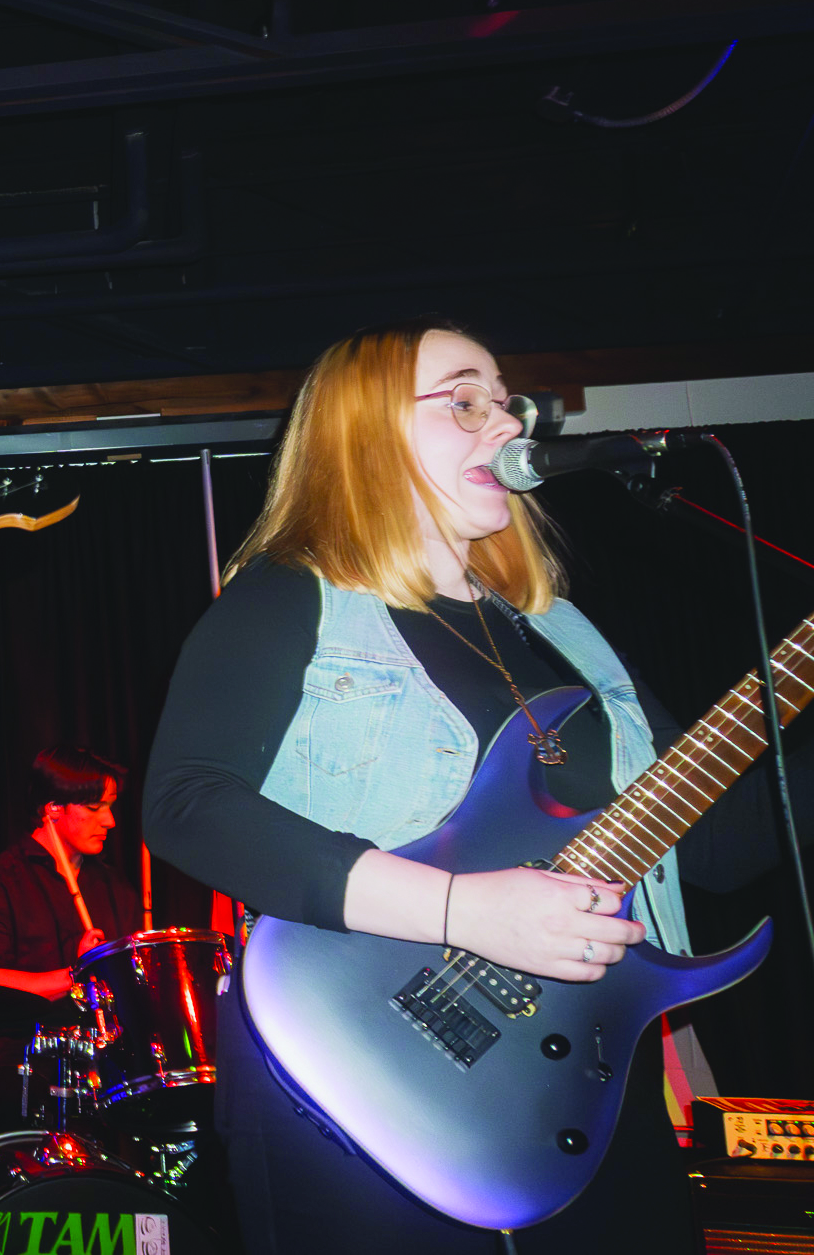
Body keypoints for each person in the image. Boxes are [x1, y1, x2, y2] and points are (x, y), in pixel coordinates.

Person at [142, 320, 813, 1253]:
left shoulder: (566, 632)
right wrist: (463, 908)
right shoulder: (291, 594)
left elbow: (718, 845)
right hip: (357, 1079)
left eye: (506, 403)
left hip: (586, 1079)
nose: (505, 424)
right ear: (365, 431)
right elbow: (187, 804)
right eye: (464, 400)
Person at [0, 745, 142, 1120]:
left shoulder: (116, 888)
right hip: (17, 1060)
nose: (109, 821)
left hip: (100, 1062)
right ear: (53, 808)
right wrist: (79, 973)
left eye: (110, 806)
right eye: (95, 808)